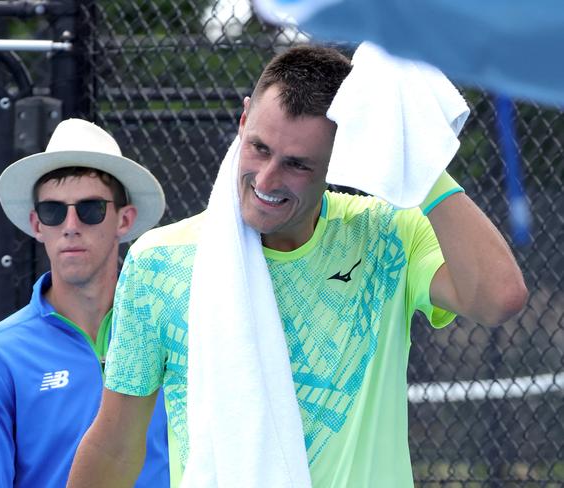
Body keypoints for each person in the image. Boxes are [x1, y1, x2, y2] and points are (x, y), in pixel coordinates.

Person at [67, 46, 528, 487]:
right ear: (244, 117)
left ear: (340, 156)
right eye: (260, 148)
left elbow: (498, 299)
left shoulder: (390, 235)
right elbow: (115, 446)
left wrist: (413, 150)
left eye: (297, 165)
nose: (267, 180)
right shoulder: (157, 264)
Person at [0, 118, 170, 487]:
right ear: (38, 224)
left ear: (125, 219)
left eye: (89, 208)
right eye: (54, 211)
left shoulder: (173, 336)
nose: (71, 224)